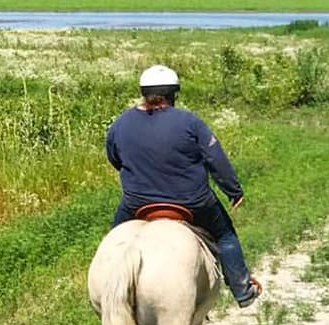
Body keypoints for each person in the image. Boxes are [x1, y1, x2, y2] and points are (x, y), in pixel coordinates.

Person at [106, 64, 261, 308]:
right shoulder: (189, 121)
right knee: (225, 235)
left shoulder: (121, 123)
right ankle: (242, 289)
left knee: (114, 241)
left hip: (137, 202)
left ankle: (107, 286)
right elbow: (215, 159)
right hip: (193, 201)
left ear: (143, 92)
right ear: (173, 94)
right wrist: (233, 190)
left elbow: (115, 158)